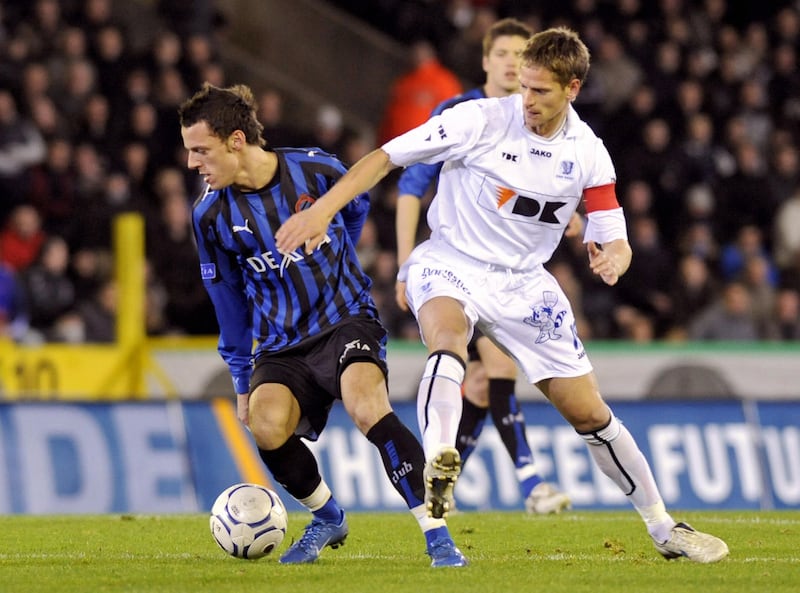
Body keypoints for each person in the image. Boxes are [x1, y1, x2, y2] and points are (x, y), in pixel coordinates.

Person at [275, 27, 729, 563]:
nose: (527, 99)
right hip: (452, 262)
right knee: (447, 338)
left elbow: (614, 233)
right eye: (524, 86)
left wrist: (613, 258)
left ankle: (664, 528)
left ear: (573, 89)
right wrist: (321, 210)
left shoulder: (589, 153)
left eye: (540, 91)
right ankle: (440, 457)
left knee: (590, 414)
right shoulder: (481, 119)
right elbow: (384, 158)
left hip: (524, 285)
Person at [178, 83, 467, 568]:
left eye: (200, 150)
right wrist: (241, 379)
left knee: (365, 404)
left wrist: (336, 258)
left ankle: (437, 536)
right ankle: (328, 516)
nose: (193, 164)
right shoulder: (210, 215)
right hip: (280, 344)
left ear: (235, 141)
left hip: (344, 319)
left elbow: (354, 208)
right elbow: (226, 302)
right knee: (266, 425)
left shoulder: (314, 168)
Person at [394, 17, 570, 514]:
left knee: (483, 381)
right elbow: (411, 184)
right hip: (456, 269)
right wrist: (407, 262)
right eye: (505, 53)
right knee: (495, 367)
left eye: (523, 54)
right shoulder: (464, 112)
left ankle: (447, 484)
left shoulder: (537, 119)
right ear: (486, 60)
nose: (515, 62)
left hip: (508, 271)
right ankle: (532, 483)